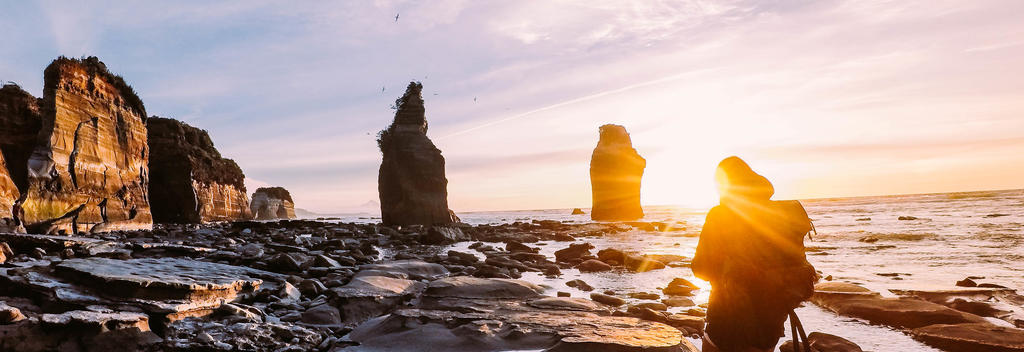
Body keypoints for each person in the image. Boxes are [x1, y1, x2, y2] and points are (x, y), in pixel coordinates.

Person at [692, 156, 818, 352]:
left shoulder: (720, 215)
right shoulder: (780, 215)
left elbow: (701, 269)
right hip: (771, 323)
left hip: (727, 320)